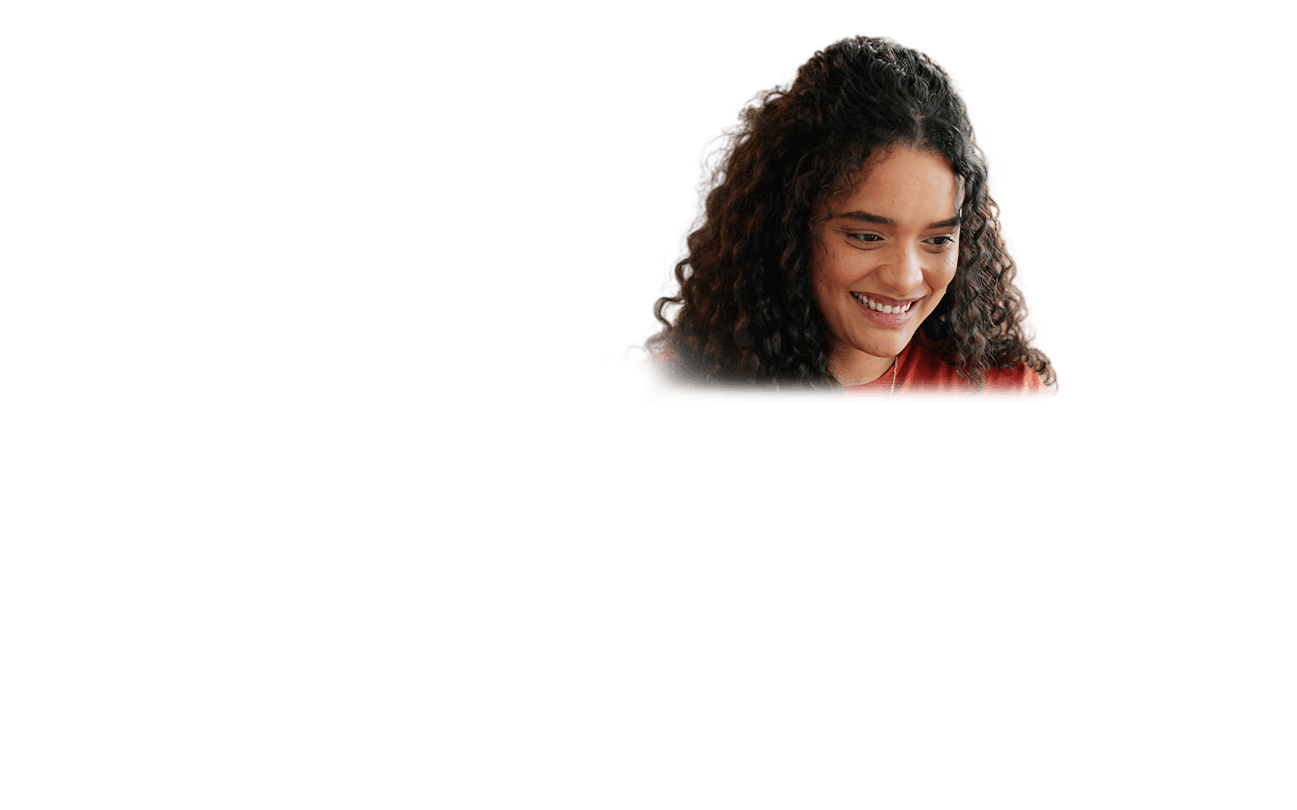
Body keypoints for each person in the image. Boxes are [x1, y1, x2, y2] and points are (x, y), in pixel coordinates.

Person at [620, 33, 1058, 401]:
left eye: (938, 239)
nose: (905, 279)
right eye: (867, 236)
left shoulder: (1005, 392)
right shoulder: (663, 391)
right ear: (789, 229)